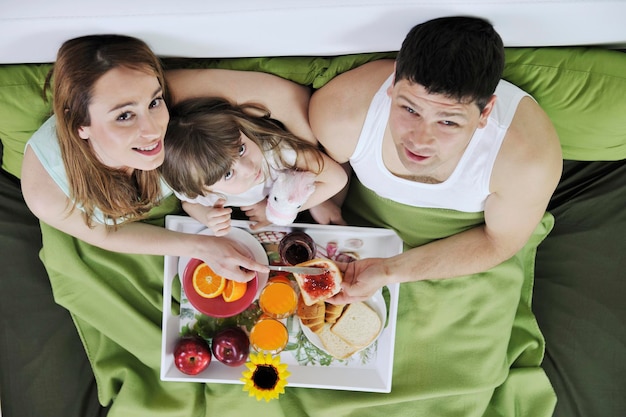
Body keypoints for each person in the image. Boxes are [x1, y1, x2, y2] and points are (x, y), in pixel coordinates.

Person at [20, 34, 323, 282]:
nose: (153, 131)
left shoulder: (165, 95)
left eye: (154, 102)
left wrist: (310, 183)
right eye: (124, 116)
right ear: (80, 125)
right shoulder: (45, 191)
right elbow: (105, 234)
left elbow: (285, 96)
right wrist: (203, 247)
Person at [309, 16, 563, 303]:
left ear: (486, 112)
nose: (419, 140)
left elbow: (497, 243)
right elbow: (329, 173)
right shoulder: (341, 113)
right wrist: (326, 211)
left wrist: (388, 271)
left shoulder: (528, 160)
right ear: (393, 83)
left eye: (448, 122)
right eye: (410, 109)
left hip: (468, 252)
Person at [159, 96, 348, 236]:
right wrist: (207, 217)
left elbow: (337, 179)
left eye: (241, 149)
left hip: (291, 185)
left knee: (329, 211)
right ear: (204, 189)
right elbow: (189, 203)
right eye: (228, 174)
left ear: (239, 127)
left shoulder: (276, 153)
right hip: (270, 200)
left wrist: (274, 212)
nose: (249, 169)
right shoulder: (200, 188)